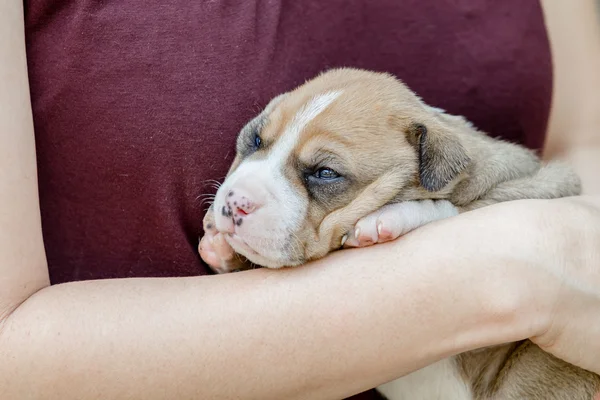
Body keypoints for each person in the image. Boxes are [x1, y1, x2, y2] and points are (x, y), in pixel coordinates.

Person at [1, 1, 599, 399]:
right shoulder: (510, 267)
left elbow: (585, 144)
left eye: (321, 175)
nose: (242, 189)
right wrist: (508, 273)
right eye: (254, 143)